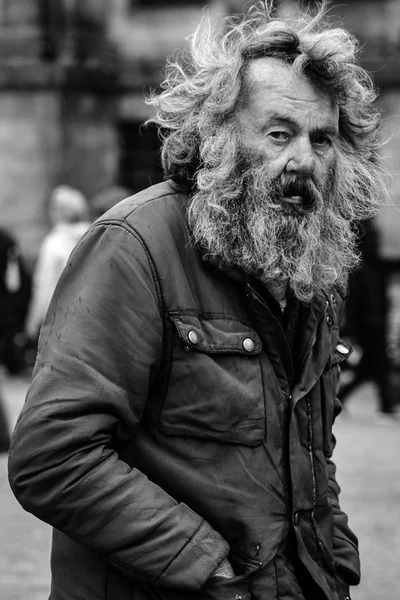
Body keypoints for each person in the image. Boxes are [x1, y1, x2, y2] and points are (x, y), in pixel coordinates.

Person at [8, 3, 386, 600]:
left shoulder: (311, 261)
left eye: (322, 139)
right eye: (279, 133)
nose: (304, 161)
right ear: (219, 137)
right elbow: (53, 457)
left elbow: (309, 452)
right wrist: (210, 571)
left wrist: (332, 562)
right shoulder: (136, 246)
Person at [338, 218, 395, 421]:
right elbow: (353, 304)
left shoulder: (374, 268)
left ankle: (340, 398)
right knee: (377, 366)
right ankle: (386, 408)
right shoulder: (360, 270)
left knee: (371, 368)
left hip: (375, 325)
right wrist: (352, 333)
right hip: (367, 328)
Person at [25, 184, 90, 343]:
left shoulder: (54, 243)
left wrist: (32, 325)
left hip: (59, 320)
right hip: (89, 317)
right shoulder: (92, 236)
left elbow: (44, 286)